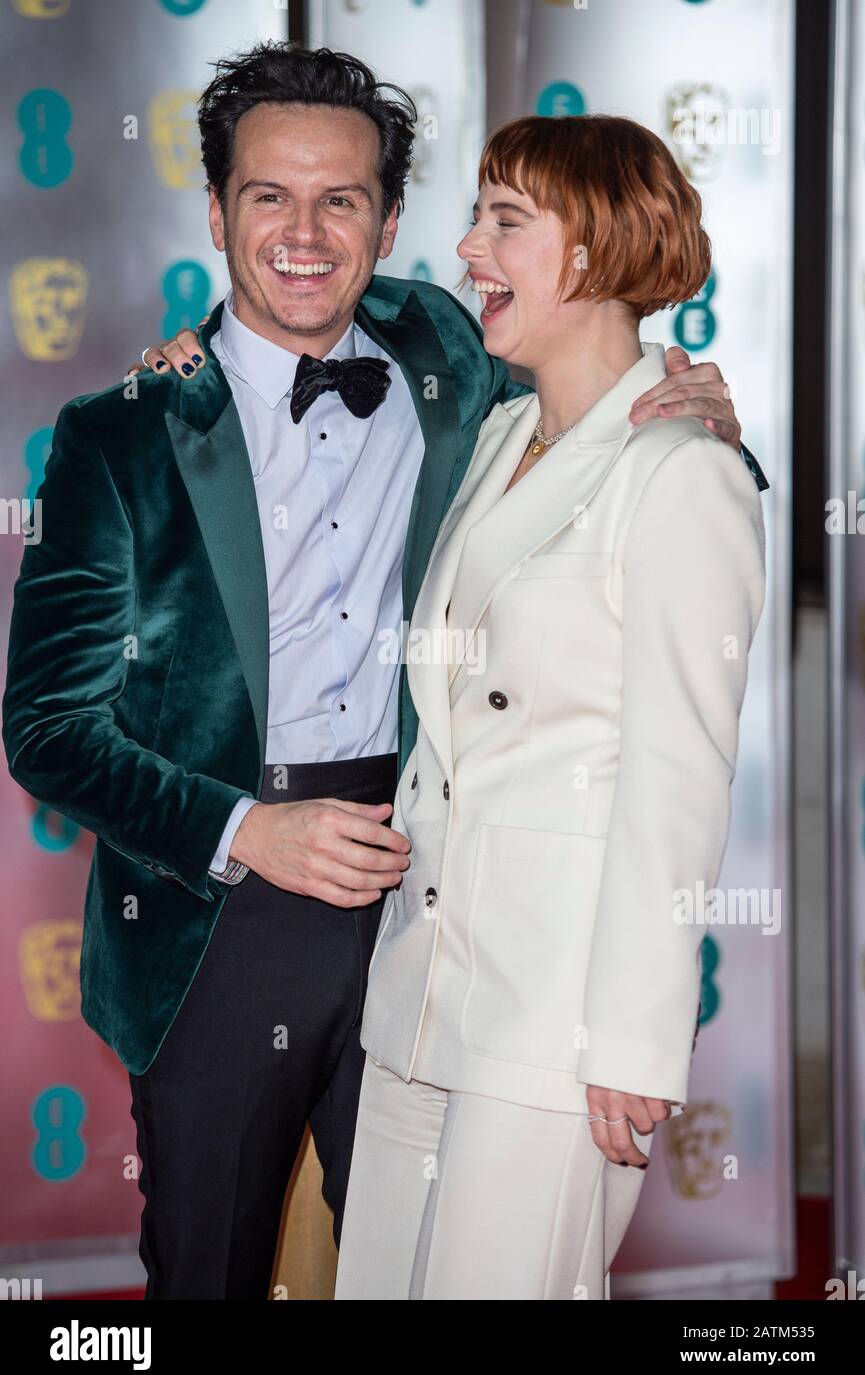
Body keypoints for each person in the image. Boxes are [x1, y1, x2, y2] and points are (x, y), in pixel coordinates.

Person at [3, 43, 764, 1302]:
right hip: (219, 907)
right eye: (268, 197)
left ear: (388, 221)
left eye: (341, 199)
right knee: (208, 1272)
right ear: (215, 211)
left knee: (445, 1267)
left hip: (442, 897)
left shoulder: (454, 351)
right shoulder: (120, 434)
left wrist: (710, 419)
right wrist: (252, 831)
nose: (304, 233)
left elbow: (619, 433)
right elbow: (48, 728)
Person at [331, 113, 767, 1301]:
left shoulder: (685, 473)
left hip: (557, 1017)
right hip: (423, 984)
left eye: (505, 221)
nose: (467, 247)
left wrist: (631, 1038)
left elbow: (679, 779)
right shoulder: (501, 431)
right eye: (476, 215)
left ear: (597, 252)